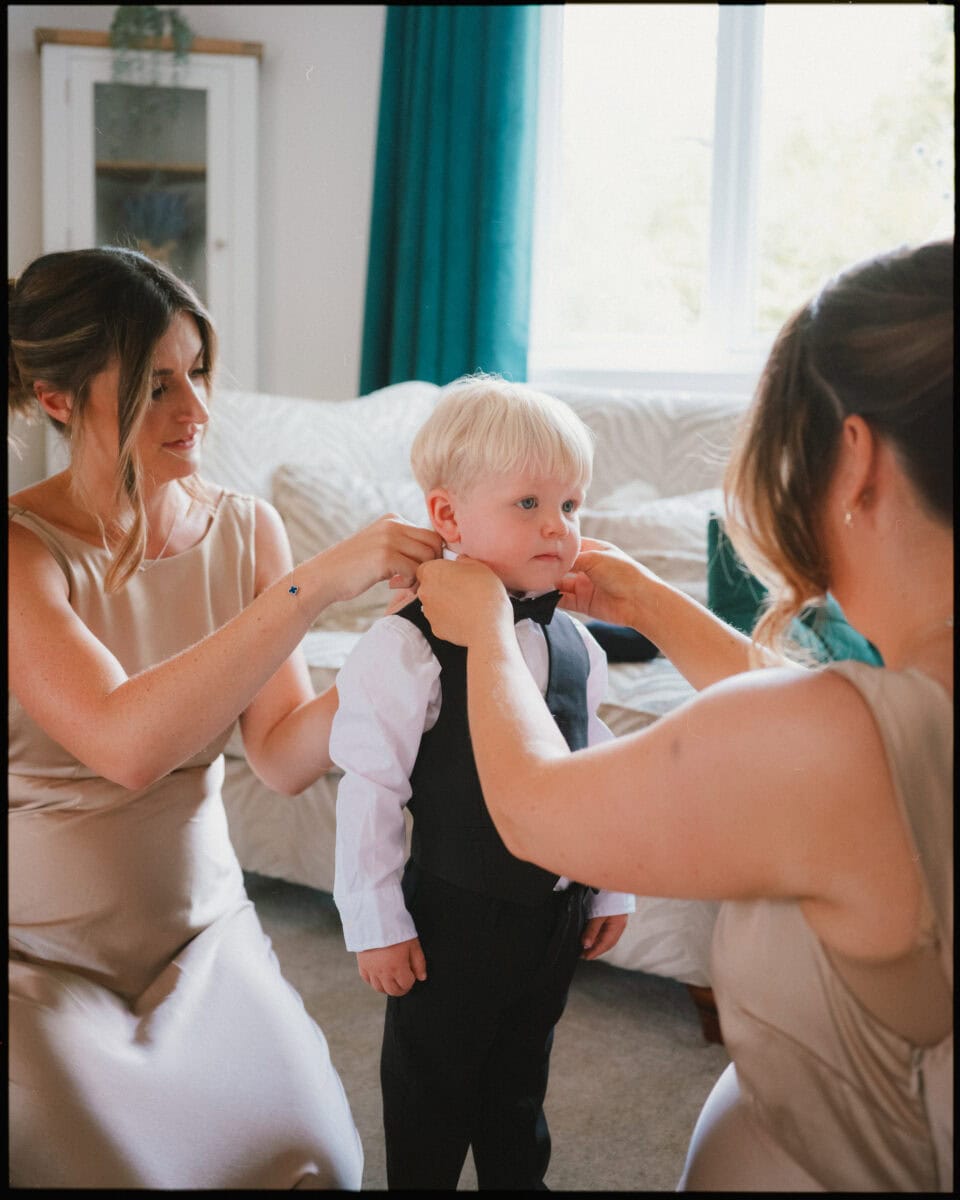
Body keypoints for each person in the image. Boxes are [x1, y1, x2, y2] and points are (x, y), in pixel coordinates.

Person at [414, 240, 953, 1192]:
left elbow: (539, 809)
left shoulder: (838, 739)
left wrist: (487, 633)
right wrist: (655, 607)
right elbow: (815, 714)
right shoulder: (894, 706)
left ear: (857, 457)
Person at [7, 246, 444, 1189]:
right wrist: (319, 584)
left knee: (319, 1168)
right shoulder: (20, 554)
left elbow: (282, 757)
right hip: (36, 966)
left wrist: (405, 655)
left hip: (204, 942)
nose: (197, 411)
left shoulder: (246, 529)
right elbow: (125, 742)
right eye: (156, 385)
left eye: (197, 372)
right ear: (56, 399)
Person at [329, 376, 635, 1190]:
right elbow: (370, 783)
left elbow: (591, 759)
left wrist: (605, 886)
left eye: (571, 505)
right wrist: (375, 918)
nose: (557, 527)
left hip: (553, 913)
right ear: (448, 517)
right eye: (528, 502)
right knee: (431, 1089)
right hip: (455, 914)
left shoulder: (576, 642)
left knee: (519, 1081)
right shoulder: (407, 646)